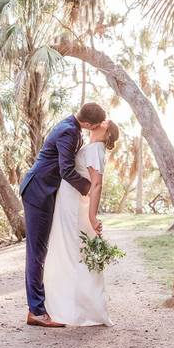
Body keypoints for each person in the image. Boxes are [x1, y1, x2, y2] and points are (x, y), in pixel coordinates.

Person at [20, 102, 106, 327]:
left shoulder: (72, 127)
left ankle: (38, 307)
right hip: (38, 192)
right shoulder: (69, 131)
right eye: (94, 125)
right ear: (87, 123)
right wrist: (90, 190)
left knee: (41, 250)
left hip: (45, 193)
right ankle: (36, 311)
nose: (95, 128)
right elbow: (66, 170)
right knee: (36, 253)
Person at [44, 119, 119, 326]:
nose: (102, 120)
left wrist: (92, 216)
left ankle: (82, 308)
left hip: (74, 206)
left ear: (107, 132)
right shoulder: (92, 147)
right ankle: (71, 305)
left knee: (73, 253)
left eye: (106, 121)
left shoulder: (96, 149)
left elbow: (96, 184)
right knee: (70, 252)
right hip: (69, 201)